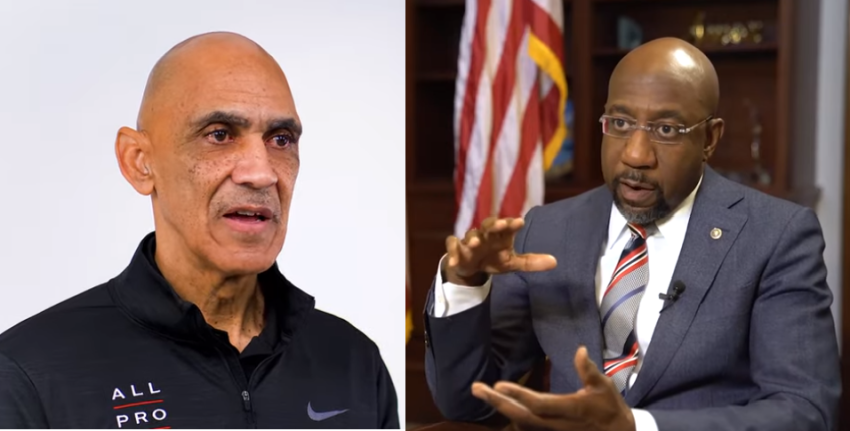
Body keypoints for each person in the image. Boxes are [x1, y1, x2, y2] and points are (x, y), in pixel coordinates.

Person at [422, 37, 840, 431]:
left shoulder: (776, 235)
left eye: (666, 130)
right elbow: (471, 404)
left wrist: (636, 427)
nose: (635, 154)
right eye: (620, 122)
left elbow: (804, 412)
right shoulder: (546, 230)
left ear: (710, 138)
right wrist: (466, 284)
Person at [0, 32, 398, 429]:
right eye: (219, 135)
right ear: (139, 162)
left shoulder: (354, 362)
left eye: (280, 139)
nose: (261, 173)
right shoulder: (29, 374)